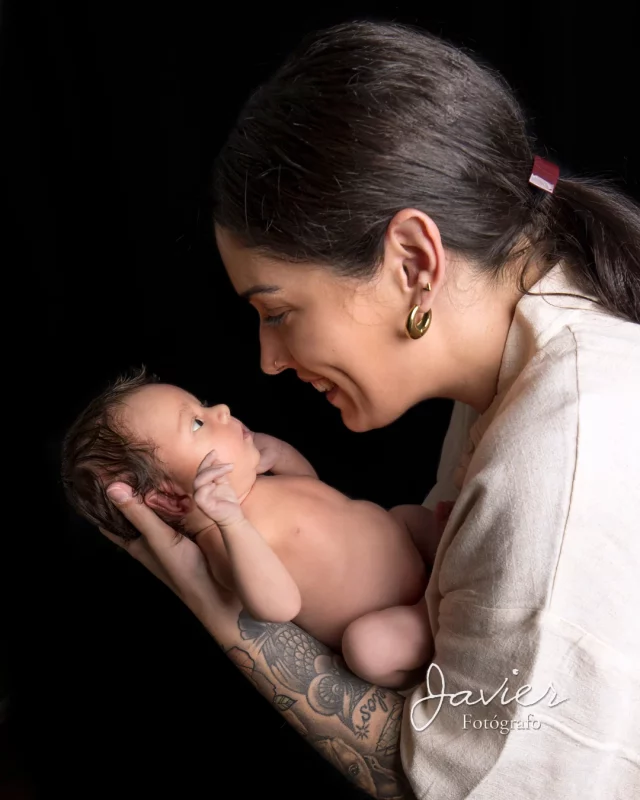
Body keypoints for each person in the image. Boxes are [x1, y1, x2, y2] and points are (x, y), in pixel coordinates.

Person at [97, 19, 640, 800]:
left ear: (414, 261)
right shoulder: (519, 371)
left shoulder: (565, 445)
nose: (267, 361)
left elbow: (465, 784)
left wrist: (233, 623)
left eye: (277, 310)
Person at [61, 369, 444, 687]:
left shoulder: (256, 482)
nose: (222, 411)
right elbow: (279, 605)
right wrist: (231, 522)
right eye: (197, 423)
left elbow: (316, 492)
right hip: (398, 614)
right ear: (172, 499)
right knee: (369, 649)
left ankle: (458, 549)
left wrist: (285, 456)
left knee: (407, 515)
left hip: (403, 541)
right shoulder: (224, 542)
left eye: (205, 406)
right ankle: (440, 618)